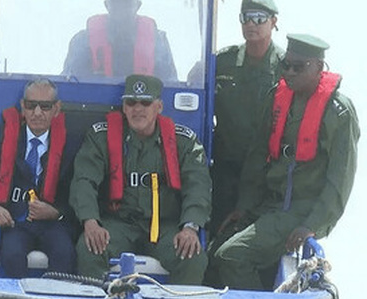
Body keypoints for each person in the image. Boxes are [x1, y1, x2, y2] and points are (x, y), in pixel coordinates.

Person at [210, 34, 360, 290]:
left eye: (298, 67)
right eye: (285, 64)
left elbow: (340, 179)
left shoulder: (338, 112)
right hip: (269, 205)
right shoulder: (277, 98)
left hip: (301, 210)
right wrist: (244, 206)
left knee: (232, 255)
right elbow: (258, 156)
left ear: (319, 68)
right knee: (213, 250)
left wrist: (311, 225)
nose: (289, 72)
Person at [69, 74, 211, 284]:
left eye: (146, 102)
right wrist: (91, 222)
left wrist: (190, 227)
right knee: (89, 247)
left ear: (159, 106)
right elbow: (84, 180)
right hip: (118, 224)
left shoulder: (184, 142)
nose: (138, 109)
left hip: (164, 227)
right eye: (131, 102)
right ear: (124, 107)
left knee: (192, 256)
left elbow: (198, 186)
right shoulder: (101, 137)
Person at [0, 79, 77, 278]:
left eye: (45, 106)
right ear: (22, 106)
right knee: (12, 254)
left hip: (53, 225)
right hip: (15, 222)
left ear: (57, 108)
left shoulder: (71, 144)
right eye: (31, 105)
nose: (37, 113)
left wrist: (56, 213)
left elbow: (79, 194)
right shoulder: (0, 136)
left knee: (65, 254)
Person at [209, 0, 284, 237]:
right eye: (245, 17)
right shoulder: (221, 62)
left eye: (260, 18)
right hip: (224, 170)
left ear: (274, 22)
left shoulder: (287, 68)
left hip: (267, 174)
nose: (252, 24)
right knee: (216, 235)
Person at [62, 0, 177, 82]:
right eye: (116, 3)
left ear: (138, 5)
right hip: (94, 111)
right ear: (107, 4)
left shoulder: (158, 43)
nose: (121, 10)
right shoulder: (82, 42)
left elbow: (170, 84)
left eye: (126, 3)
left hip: (143, 111)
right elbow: (67, 83)